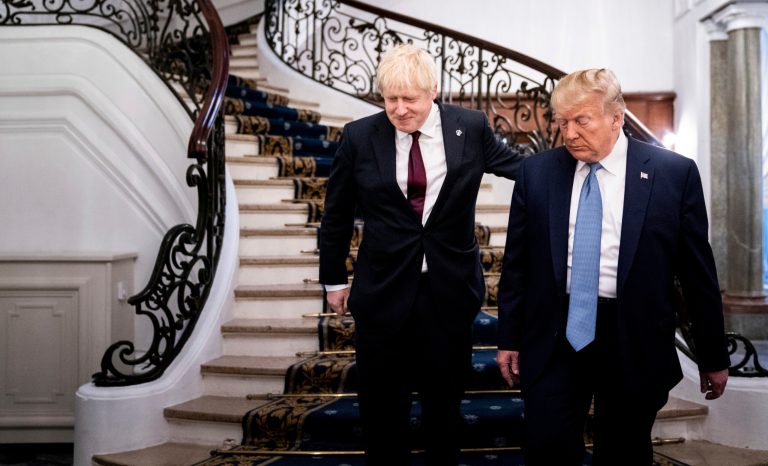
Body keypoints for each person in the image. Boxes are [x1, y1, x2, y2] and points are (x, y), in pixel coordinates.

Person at [496, 68, 730, 465]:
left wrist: (712, 355)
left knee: (624, 452)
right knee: (547, 447)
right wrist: (508, 338)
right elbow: (517, 265)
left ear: (616, 118)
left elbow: (697, 274)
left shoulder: (672, 175)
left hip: (633, 339)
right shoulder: (537, 173)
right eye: (561, 122)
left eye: (581, 121)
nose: (569, 133)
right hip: (556, 334)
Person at [319, 44, 524, 466]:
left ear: (433, 90)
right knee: (381, 411)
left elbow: (520, 168)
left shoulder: (470, 126)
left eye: (409, 99)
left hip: (447, 292)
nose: (399, 109)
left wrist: (581, 162)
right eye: (390, 99)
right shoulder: (359, 136)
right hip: (381, 292)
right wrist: (334, 279)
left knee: (444, 409)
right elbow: (336, 214)